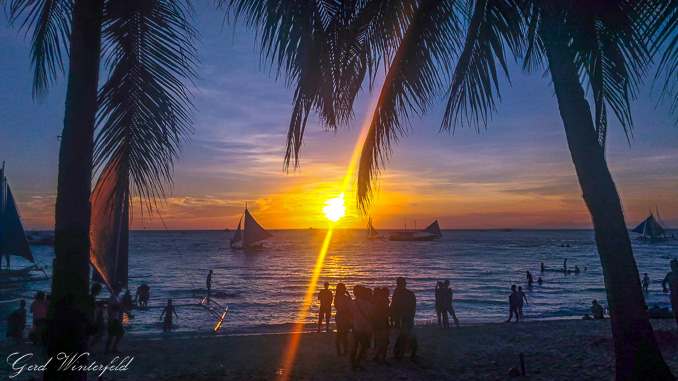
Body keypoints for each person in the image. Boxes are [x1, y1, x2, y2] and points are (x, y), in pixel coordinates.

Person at [391, 277, 418, 361]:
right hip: (405, 318)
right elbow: (413, 308)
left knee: (404, 336)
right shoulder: (409, 294)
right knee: (407, 336)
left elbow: (393, 307)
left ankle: (402, 354)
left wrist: (393, 318)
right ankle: (408, 354)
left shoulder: (398, 294)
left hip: (403, 318)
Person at [349, 285, 374, 370]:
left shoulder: (354, 303)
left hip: (356, 327)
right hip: (364, 328)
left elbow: (351, 315)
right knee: (366, 345)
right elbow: (371, 317)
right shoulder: (368, 305)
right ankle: (357, 362)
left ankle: (354, 363)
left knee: (355, 345)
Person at [105, 283, 129, 353]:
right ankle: (110, 348)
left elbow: (120, 306)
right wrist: (111, 318)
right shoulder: (113, 297)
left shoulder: (117, 297)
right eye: (119, 288)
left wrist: (127, 313)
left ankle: (111, 348)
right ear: (116, 289)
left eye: (120, 288)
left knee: (113, 334)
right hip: (113, 318)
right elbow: (111, 308)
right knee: (116, 333)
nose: (121, 289)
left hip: (116, 317)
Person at [372, 287, 391, 364]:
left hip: (379, 322)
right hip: (382, 322)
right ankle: (381, 357)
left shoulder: (379, 300)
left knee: (381, 340)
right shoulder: (384, 300)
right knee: (385, 341)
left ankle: (379, 356)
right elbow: (386, 311)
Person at [333, 283, 352, 356]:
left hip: (346, 317)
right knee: (340, 334)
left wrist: (349, 295)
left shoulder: (345, 296)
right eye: (343, 288)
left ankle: (345, 349)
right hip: (341, 317)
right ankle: (338, 351)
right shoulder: (337, 297)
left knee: (345, 334)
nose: (344, 289)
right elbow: (338, 307)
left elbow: (351, 303)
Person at [88, 283, 106, 351]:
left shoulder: (91, 297)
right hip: (90, 319)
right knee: (101, 331)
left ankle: (90, 347)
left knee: (101, 330)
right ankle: (90, 347)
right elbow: (91, 310)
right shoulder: (91, 298)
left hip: (91, 318)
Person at [662, 259, 678, 328]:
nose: (672, 267)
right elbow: (664, 282)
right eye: (671, 265)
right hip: (673, 295)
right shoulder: (669, 274)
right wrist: (664, 288)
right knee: (676, 311)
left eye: (674, 265)